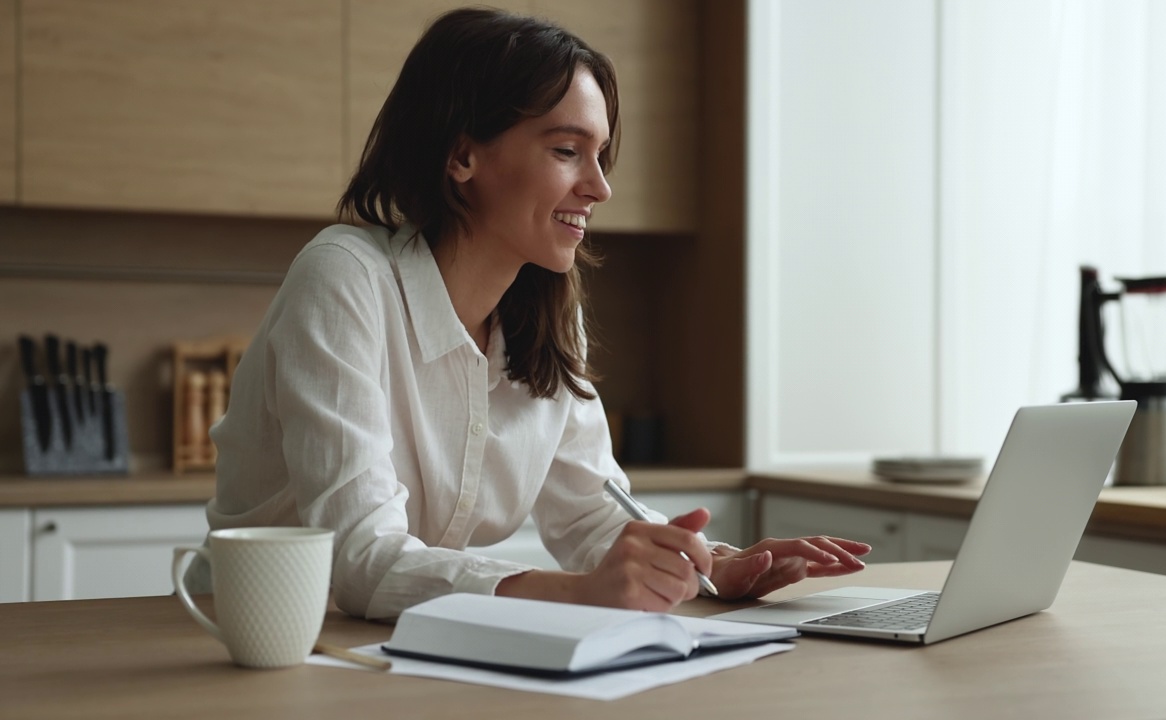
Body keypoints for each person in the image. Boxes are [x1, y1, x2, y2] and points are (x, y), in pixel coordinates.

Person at [200, 6, 872, 621]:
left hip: (397, 645)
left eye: (601, 155)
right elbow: (362, 559)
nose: (600, 186)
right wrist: (584, 592)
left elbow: (594, 518)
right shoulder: (346, 278)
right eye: (566, 150)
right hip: (246, 640)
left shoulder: (546, 317)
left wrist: (713, 565)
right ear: (462, 155)